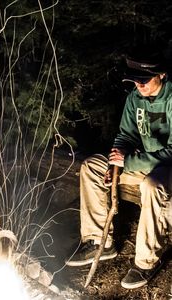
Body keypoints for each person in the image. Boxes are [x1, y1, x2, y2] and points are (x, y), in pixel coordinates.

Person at [66, 45, 172, 289]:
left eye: (145, 80)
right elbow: (125, 135)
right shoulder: (134, 98)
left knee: (152, 185)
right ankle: (97, 242)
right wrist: (115, 164)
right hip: (142, 163)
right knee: (92, 166)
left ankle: (146, 261)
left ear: (162, 75)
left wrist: (129, 162)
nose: (140, 85)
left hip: (167, 167)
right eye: (135, 80)